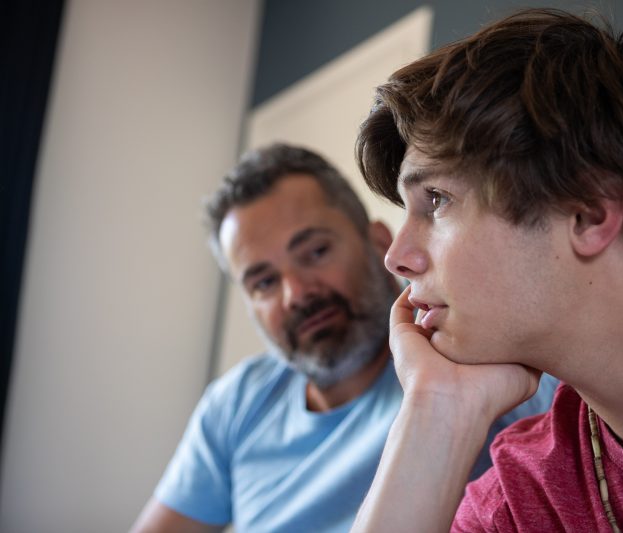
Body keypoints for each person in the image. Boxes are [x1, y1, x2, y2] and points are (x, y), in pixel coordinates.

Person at [351, 8, 623, 532]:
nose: (396, 257)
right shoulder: (521, 502)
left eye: (437, 200)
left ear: (589, 212)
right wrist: (437, 410)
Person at [130, 144, 557, 532]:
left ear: (379, 243)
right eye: (263, 282)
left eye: (315, 252)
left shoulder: (475, 358)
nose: (296, 293)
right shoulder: (237, 402)